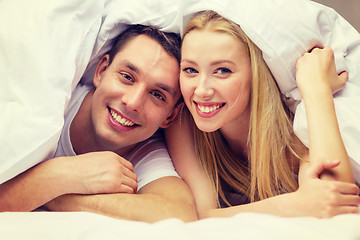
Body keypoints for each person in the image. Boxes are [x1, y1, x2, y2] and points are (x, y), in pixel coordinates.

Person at [166, 10, 360, 219]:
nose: (202, 91)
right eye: (190, 70)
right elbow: (201, 214)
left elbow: (336, 196)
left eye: (222, 71)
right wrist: (292, 204)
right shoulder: (182, 121)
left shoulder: (292, 133)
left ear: (255, 76)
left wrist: (316, 88)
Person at [0, 25, 197, 223]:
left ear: (170, 116)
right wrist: (61, 173)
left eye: (157, 95)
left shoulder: (146, 151)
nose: (133, 102)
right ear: (101, 71)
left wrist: (59, 195)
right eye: (127, 77)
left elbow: (179, 212)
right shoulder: (50, 105)